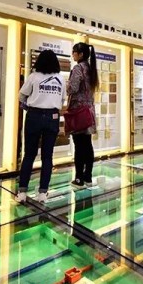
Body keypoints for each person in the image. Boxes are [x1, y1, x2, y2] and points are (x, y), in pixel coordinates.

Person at [17, 50, 65, 203]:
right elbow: (62, 100)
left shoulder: (34, 77)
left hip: (34, 116)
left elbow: (21, 95)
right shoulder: (60, 79)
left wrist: (28, 106)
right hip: (52, 117)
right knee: (47, 156)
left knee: (29, 155)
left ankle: (22, 192)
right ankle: (43, 193)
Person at [67, 42, 98, 188]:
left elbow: (72, 88)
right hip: (89, 112)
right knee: (87, 144)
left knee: (79, 145)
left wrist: (66, 84)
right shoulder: (91, 69)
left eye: (74, 52)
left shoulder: (78, 68)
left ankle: (79, 179)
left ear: (80, 54)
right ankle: (88, 177)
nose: (73, 54)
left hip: (78, 112)